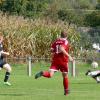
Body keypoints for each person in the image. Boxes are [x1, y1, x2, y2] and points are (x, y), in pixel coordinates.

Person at [35, 31, 74, 95]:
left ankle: (42, 73)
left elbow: (51, 50)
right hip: (63, 60)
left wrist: (56, 51)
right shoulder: (65, 41)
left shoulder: (56, 41)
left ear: (60, 35)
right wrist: (69, 56)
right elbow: (61, 48)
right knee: (65, 75)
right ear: (67, 36)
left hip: (55, 60)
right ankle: (66, 91)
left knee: (50, 74)